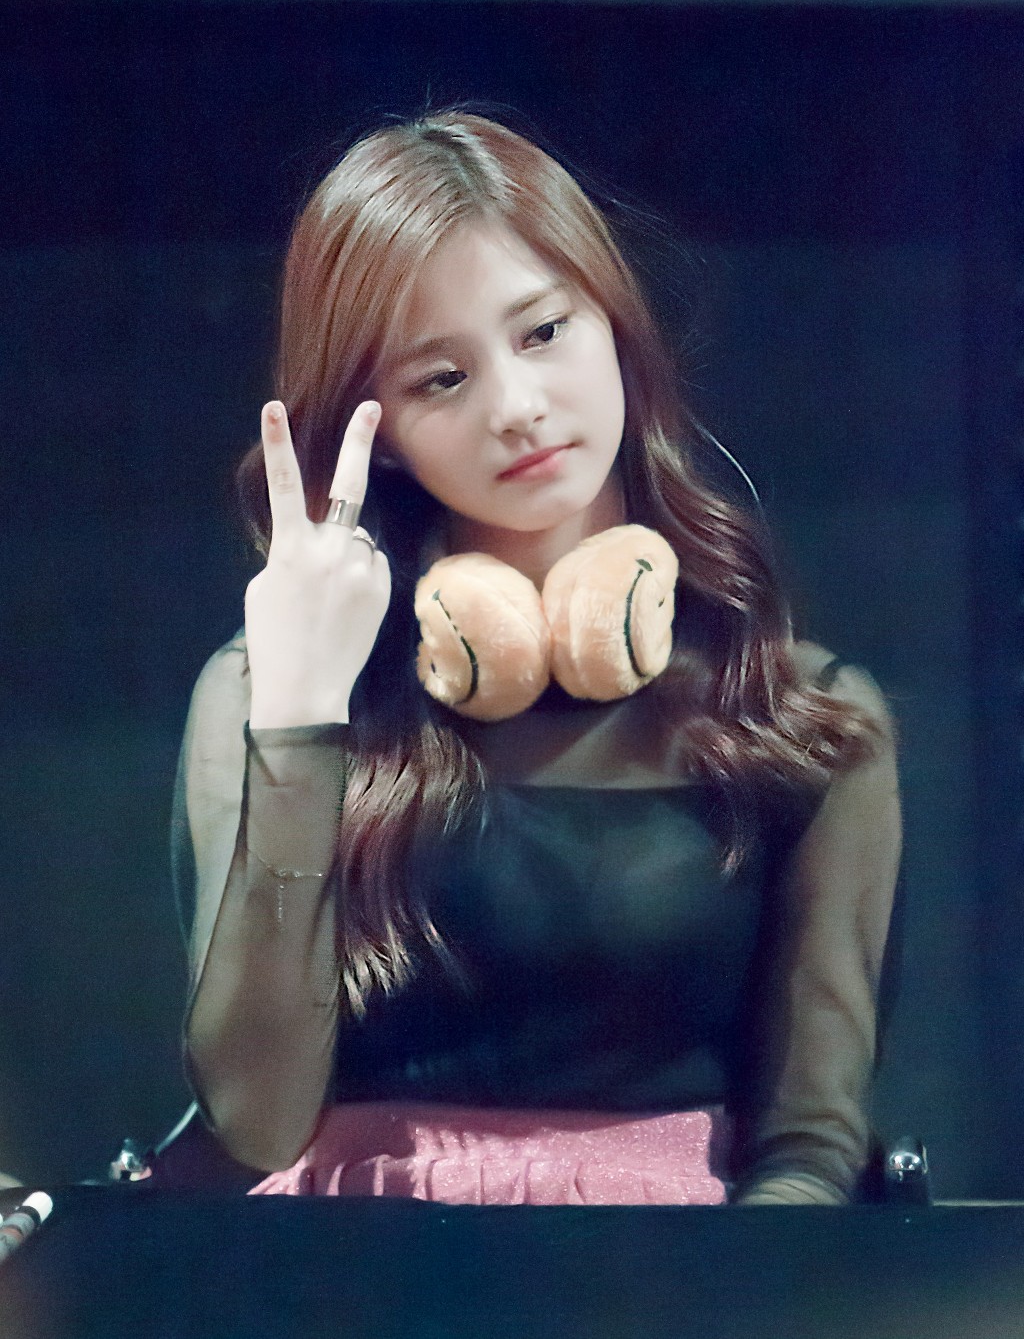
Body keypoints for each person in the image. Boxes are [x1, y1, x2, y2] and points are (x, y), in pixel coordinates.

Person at [172, 109, 901, 1206]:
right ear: (377, 429)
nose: (516, 408)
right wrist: (301, 709)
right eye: (440, 379)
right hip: (351, 1278)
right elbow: (256, 1120)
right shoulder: (264, 690)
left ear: (616, 323)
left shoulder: (801, 713)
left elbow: (808, 1144)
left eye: (544, 330)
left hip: (677, 1283)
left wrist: (726, 1291)